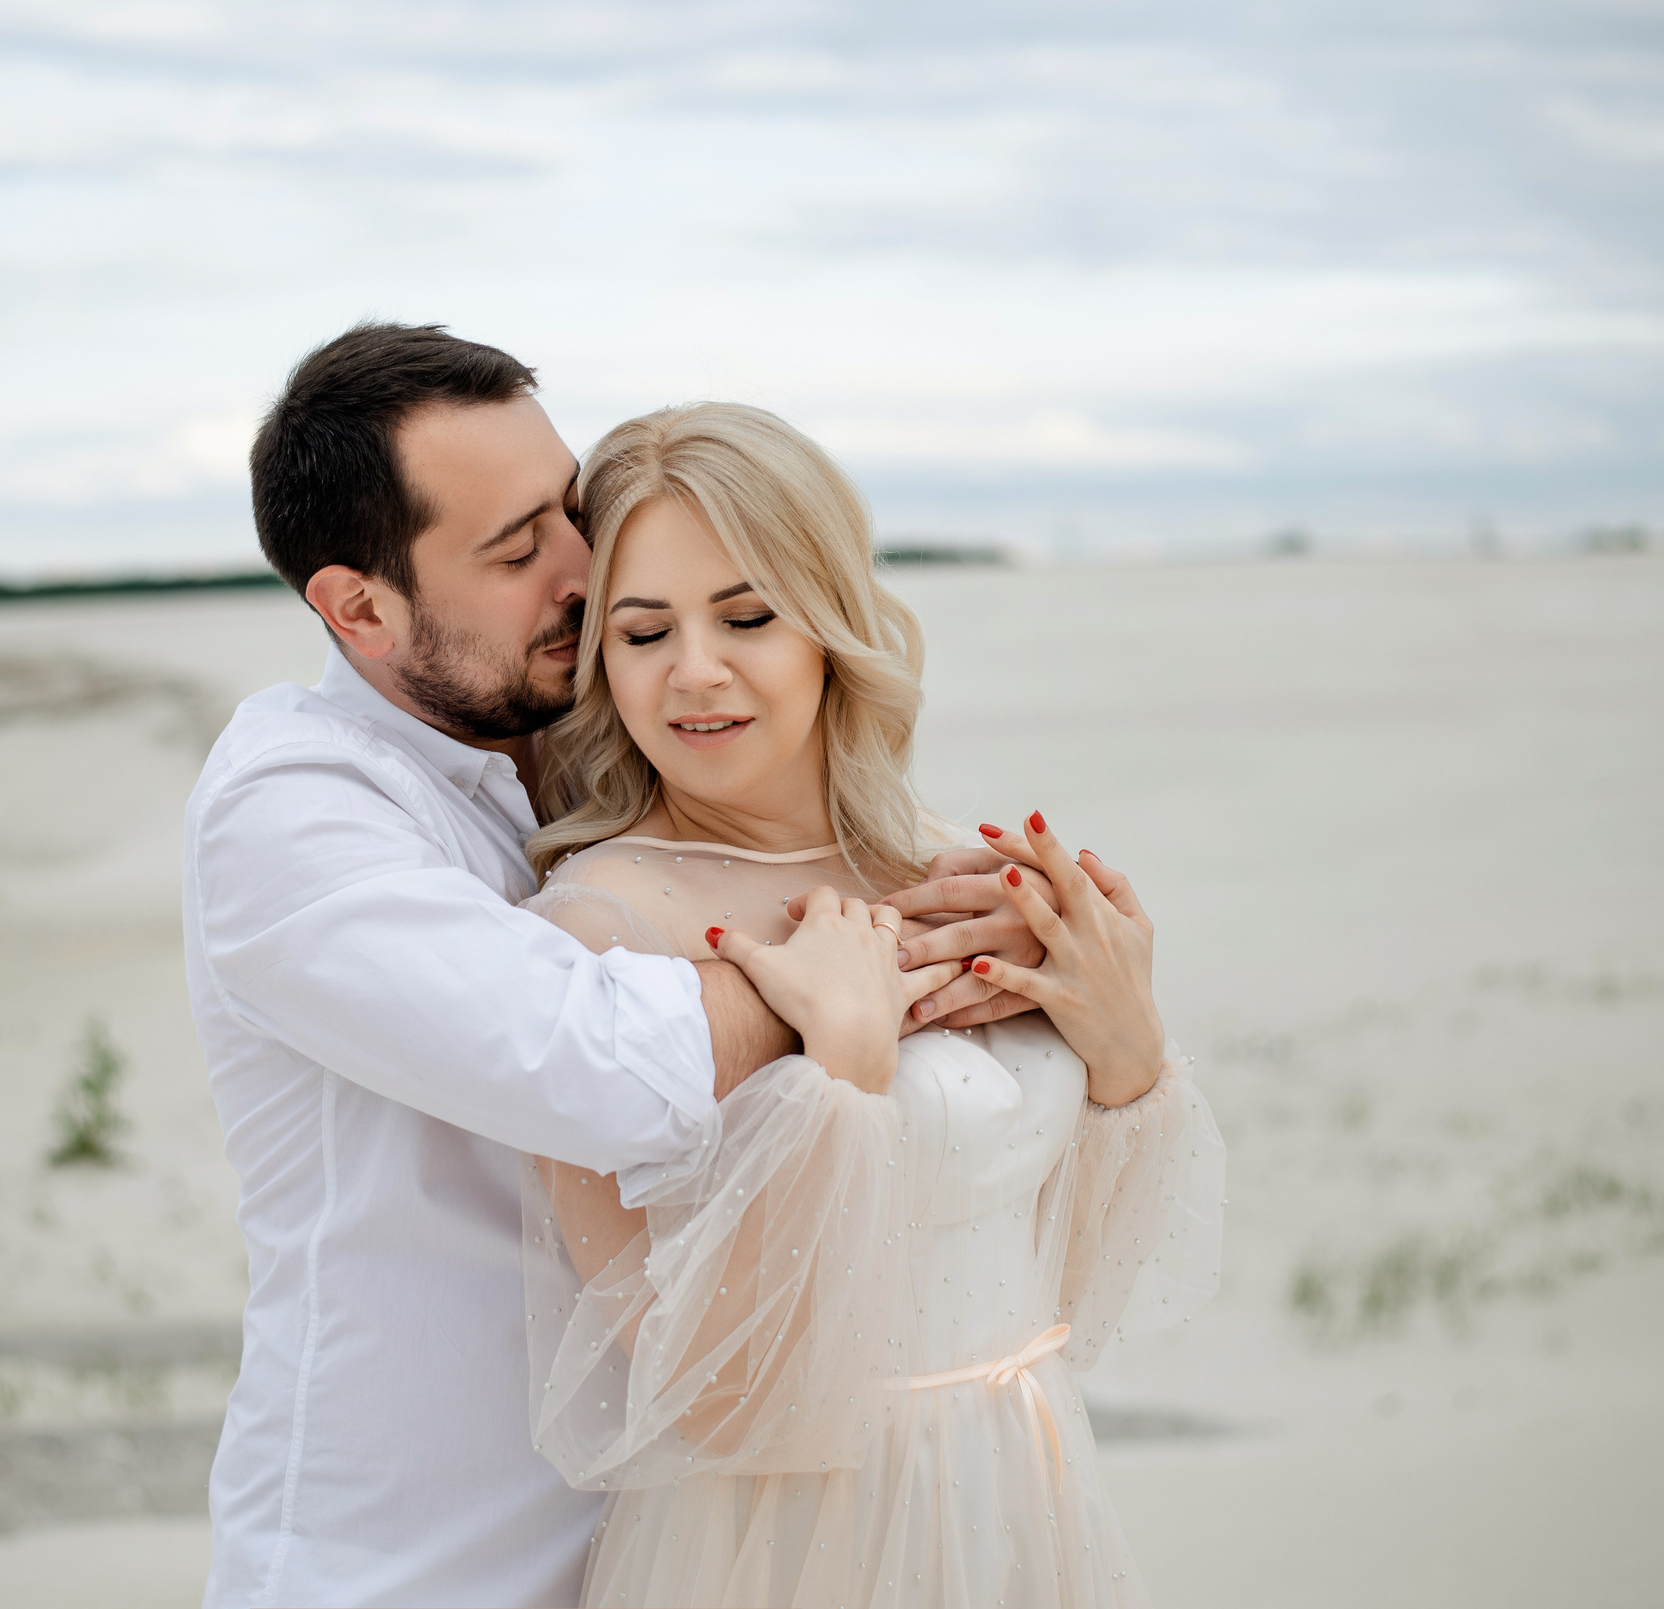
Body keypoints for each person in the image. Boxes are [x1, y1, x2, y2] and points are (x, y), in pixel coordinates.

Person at [185, 325, 1050, 1607]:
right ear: (357, 606)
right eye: (515, 545)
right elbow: (595, 1056)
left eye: (568, 506)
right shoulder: (291, 809)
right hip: (421, 1562)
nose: (583, 568)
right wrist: (886, 946)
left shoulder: (579, 742)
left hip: (687, 1534)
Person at [516, 403, 1225, 1606]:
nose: (695, 669)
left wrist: (1123, 1051)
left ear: (832, 624)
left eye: (746, 616)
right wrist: (838, 1068)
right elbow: (709, 1393)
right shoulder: (596, 934)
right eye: (643, 633)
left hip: (1023, 1487)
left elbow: (1082, 1284)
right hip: (785, 1543)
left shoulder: (946, 868)